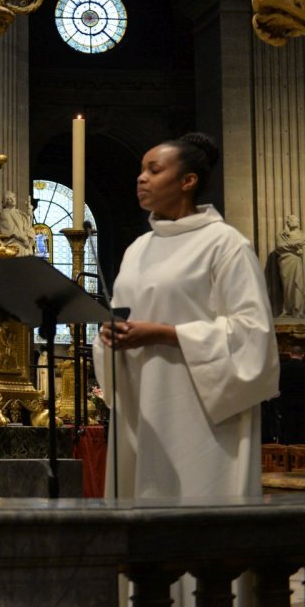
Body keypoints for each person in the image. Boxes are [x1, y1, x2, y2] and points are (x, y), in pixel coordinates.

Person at [94, 133, 279, 603]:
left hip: (203, 411)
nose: (141, 177)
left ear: (188, 180)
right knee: (146, 521)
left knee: (200, 520)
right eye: (141, 168)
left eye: (155, 169)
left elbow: (252, 333)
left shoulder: (226, 245)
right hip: (143, 409)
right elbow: (123, 315)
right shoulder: (139, 248)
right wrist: (109, 336)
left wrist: (165, 333)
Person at [274, 214, 305, 318]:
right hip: (286, 262)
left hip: (298, 261)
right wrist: (294, 246)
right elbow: (280, 246)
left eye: (297, 220)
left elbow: (302, 246)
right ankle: (288, 309)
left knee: (298, 284)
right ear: (288, 222)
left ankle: (298, 310)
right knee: (288, 286)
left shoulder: (302, 234)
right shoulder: (282, 235)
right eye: (294, 220)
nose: (297, 222)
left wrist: (298, 248)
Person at [0, 190, 35, 255]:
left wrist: (30, 211)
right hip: (15, 242)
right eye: (9, 199)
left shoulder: (19, 213)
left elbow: (28, 226)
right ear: (6, 202)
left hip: (25, 242)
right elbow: (12, 231)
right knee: (19, 250)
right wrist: (24, 239)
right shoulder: (5, 213)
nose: (12, 200)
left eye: (13, 197)